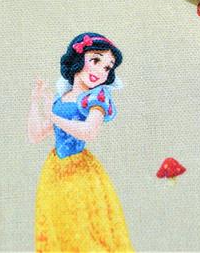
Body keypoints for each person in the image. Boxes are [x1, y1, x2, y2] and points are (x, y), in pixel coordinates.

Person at [28, 34, 131, 252]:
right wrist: (36, 101)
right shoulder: (61, 98)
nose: (101, 71)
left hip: (81, 173)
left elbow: (88, 132)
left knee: (85, 227)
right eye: (96, 60)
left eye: (107, 67)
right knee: (57, 225)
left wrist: (53, 116)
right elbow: (36, 135)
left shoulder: (97, 98)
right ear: (77, 60)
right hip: (54, 171)